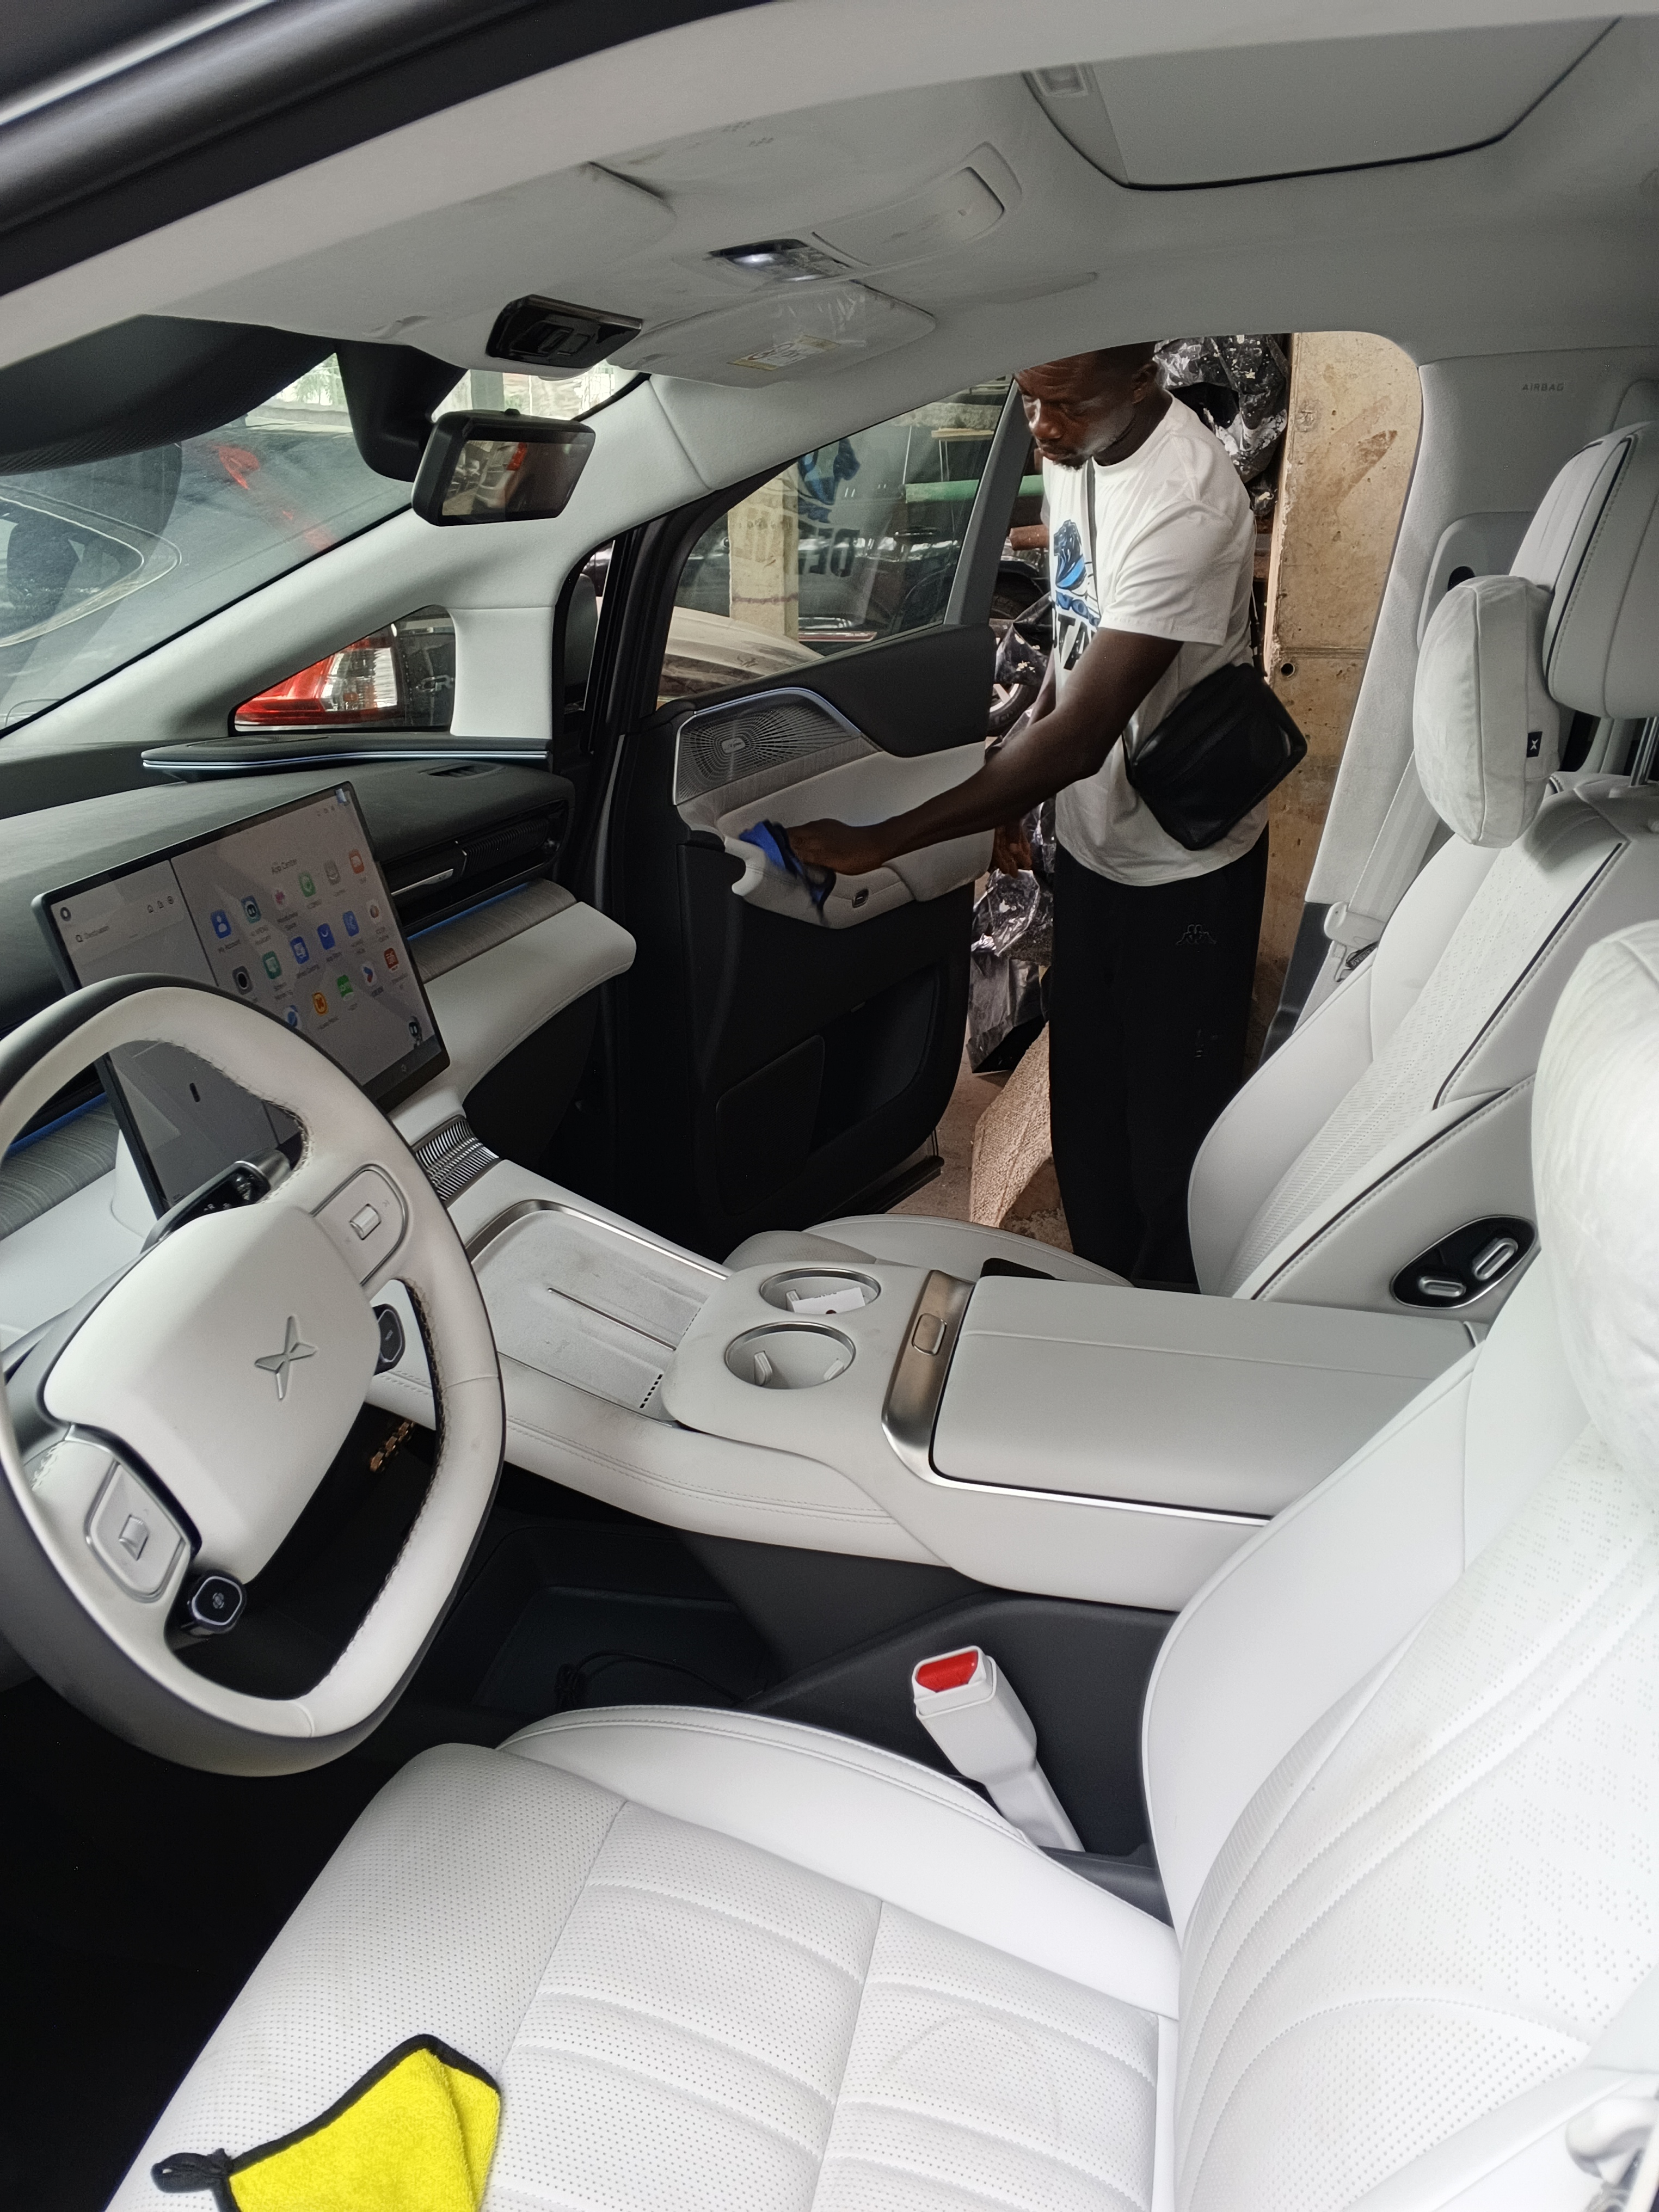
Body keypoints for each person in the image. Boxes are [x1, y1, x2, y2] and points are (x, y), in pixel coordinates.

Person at [790, 342, 1265, 1285]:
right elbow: (1075, 635)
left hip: (1185, 871)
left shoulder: (1191, 504)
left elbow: (1087, 730)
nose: (1042, 428)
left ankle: (1173, 1323)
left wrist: (888, 838)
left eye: (1066, 405)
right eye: (1029, 399)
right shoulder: (1074, 445)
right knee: (1088, 1110)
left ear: (1143, 383)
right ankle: (1102, 1295)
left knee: (1171, 1132)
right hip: (1097, 845)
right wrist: (1020, 789)